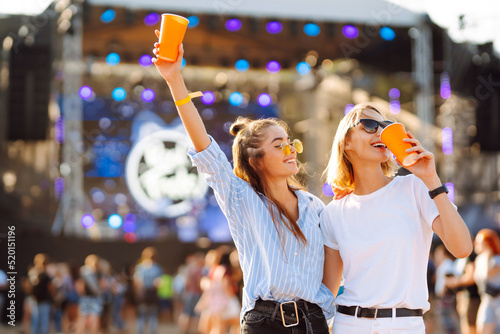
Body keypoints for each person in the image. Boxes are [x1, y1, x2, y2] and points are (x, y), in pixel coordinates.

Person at [152, 34, 335, 333]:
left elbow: (333, 261)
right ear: (256, 160)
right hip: (265, 323)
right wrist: (175, 80)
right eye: (279, 145)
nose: (290, 150)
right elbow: (205, 149)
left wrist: (324, 306)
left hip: (313, 323)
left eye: (290, 143)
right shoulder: (241, 198)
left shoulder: (314, 206)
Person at [321, 103, 472, 333]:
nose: (381, 131)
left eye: (386, 126)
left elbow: (462, 248)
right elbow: (327, 292)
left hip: (404, 325)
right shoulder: (334, 212)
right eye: (369, 125)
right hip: (349, 324)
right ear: (346, 142)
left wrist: (431, 178)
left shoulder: (415, 188)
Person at [473, 229, 500, 334]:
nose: (477, 244)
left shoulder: (496, 260)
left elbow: (486, 273)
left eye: (480, 242)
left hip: (498, 298)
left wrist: (488, 255)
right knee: (482, 328)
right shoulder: (479, 259)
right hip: (486, 299)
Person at [133, 247, 163, 334]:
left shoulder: (140, 268)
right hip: (153, 294)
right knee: (153, 316)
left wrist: (138, 294)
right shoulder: (157, 268)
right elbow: (159, 283)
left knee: (141, 317)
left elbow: (138, 282)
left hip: (143, 294)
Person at [28, 253, 55, 334]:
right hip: (41, 300)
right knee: (42, 321)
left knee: (37, 321)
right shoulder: (42, 274)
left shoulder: (33, 273)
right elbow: (51, 288)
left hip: (37, 300)